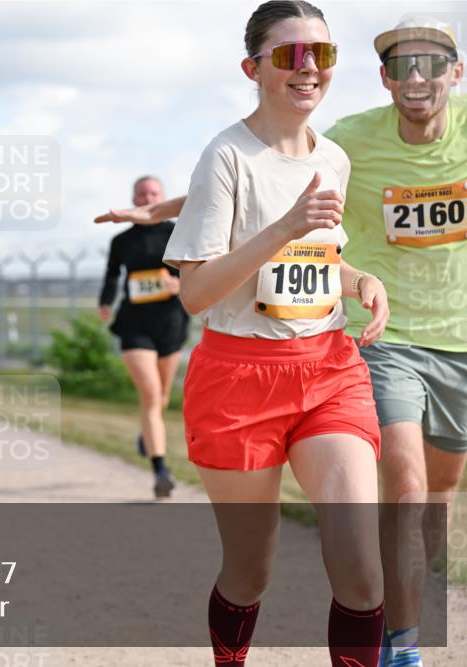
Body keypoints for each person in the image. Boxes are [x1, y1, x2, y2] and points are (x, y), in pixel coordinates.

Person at [159, 2, 392, 665]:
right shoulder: (227, 156)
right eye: (289, 55)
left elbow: (320, 258)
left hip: (328, 371)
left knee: (360, 567)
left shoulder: (336, 159)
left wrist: (360, 280)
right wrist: (283, 227)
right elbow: (197, 291)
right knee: (249, 571)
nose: (307, 68)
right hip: (238, 380)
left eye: (321, 54)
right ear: (252, 68)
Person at [322, 17, 466, 667]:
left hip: (461, 342)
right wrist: (162, 211)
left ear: (454, 75)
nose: (416, 78)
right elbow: (273, 179)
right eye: (401, 67)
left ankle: (398, 611)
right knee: (405, 486)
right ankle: (402, 647)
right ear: (383, 79)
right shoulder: (351, 140)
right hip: (387, 337)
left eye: (432, 65)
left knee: (437, 495)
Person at [97, 176, 188, 499]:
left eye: (154, 193)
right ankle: (160, 470)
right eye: (142, 193)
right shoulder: (122, 241)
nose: (147, 197)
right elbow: (112, 274)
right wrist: (106, 302)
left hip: (171, 323)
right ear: (133, 199)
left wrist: (180, 285)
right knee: (150, 396)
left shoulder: (180, 232)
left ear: (162, 197)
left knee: (161, 397)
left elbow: (196, 270)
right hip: (134, 324)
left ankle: (147, 437)